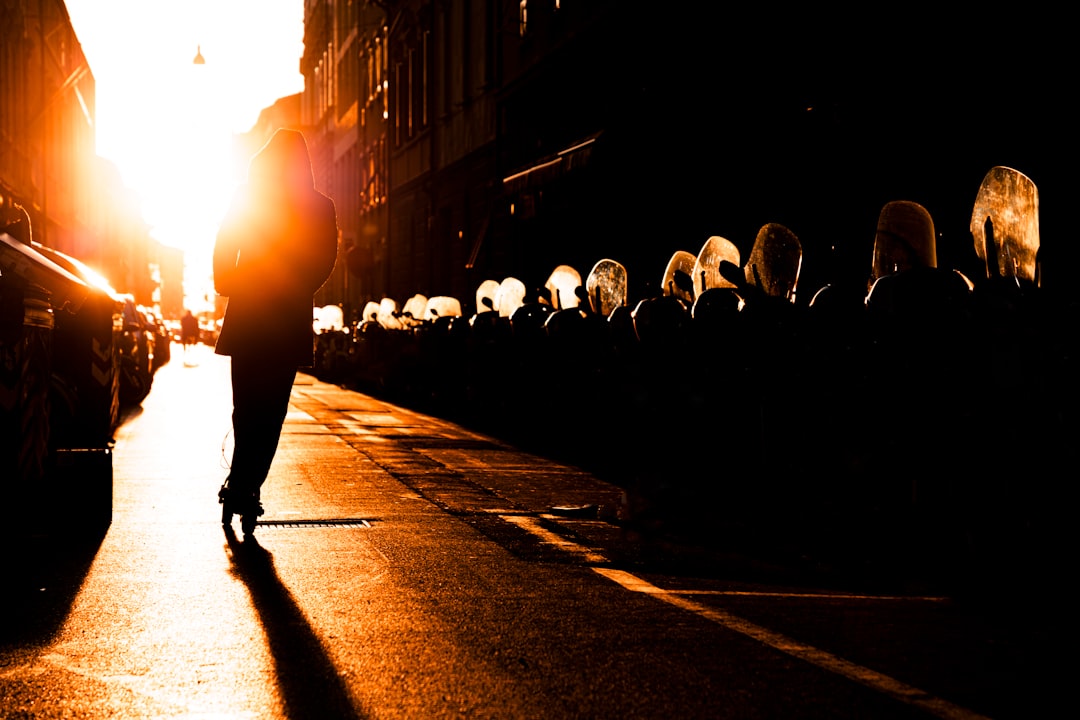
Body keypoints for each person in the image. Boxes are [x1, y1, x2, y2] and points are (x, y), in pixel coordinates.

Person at [213, 129, 338, 535]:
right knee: (272, 413)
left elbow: (224, 242)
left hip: (249, 316)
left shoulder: (248, 196)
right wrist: (298, 288)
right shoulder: (319, 205)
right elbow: (325, 259)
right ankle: (248, 486)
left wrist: (229, 282)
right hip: (286, 321)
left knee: (245, 407)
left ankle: (240, 483)